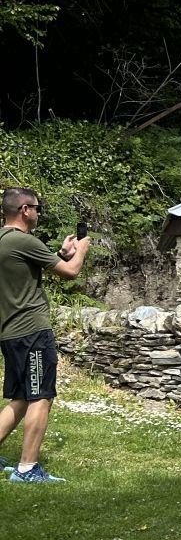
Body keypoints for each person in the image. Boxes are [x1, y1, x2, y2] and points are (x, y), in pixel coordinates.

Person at [0, 188, 91, 483]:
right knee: (41, 396)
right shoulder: (24, 240)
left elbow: (31, 270)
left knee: (21, 397)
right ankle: (27, 469)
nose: (39, 214)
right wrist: (81, 251)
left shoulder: (4, 241)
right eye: (37, 208)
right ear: (25, 210)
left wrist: (61, 254)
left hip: (9, 332)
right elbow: (71, 272)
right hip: (32, 331)